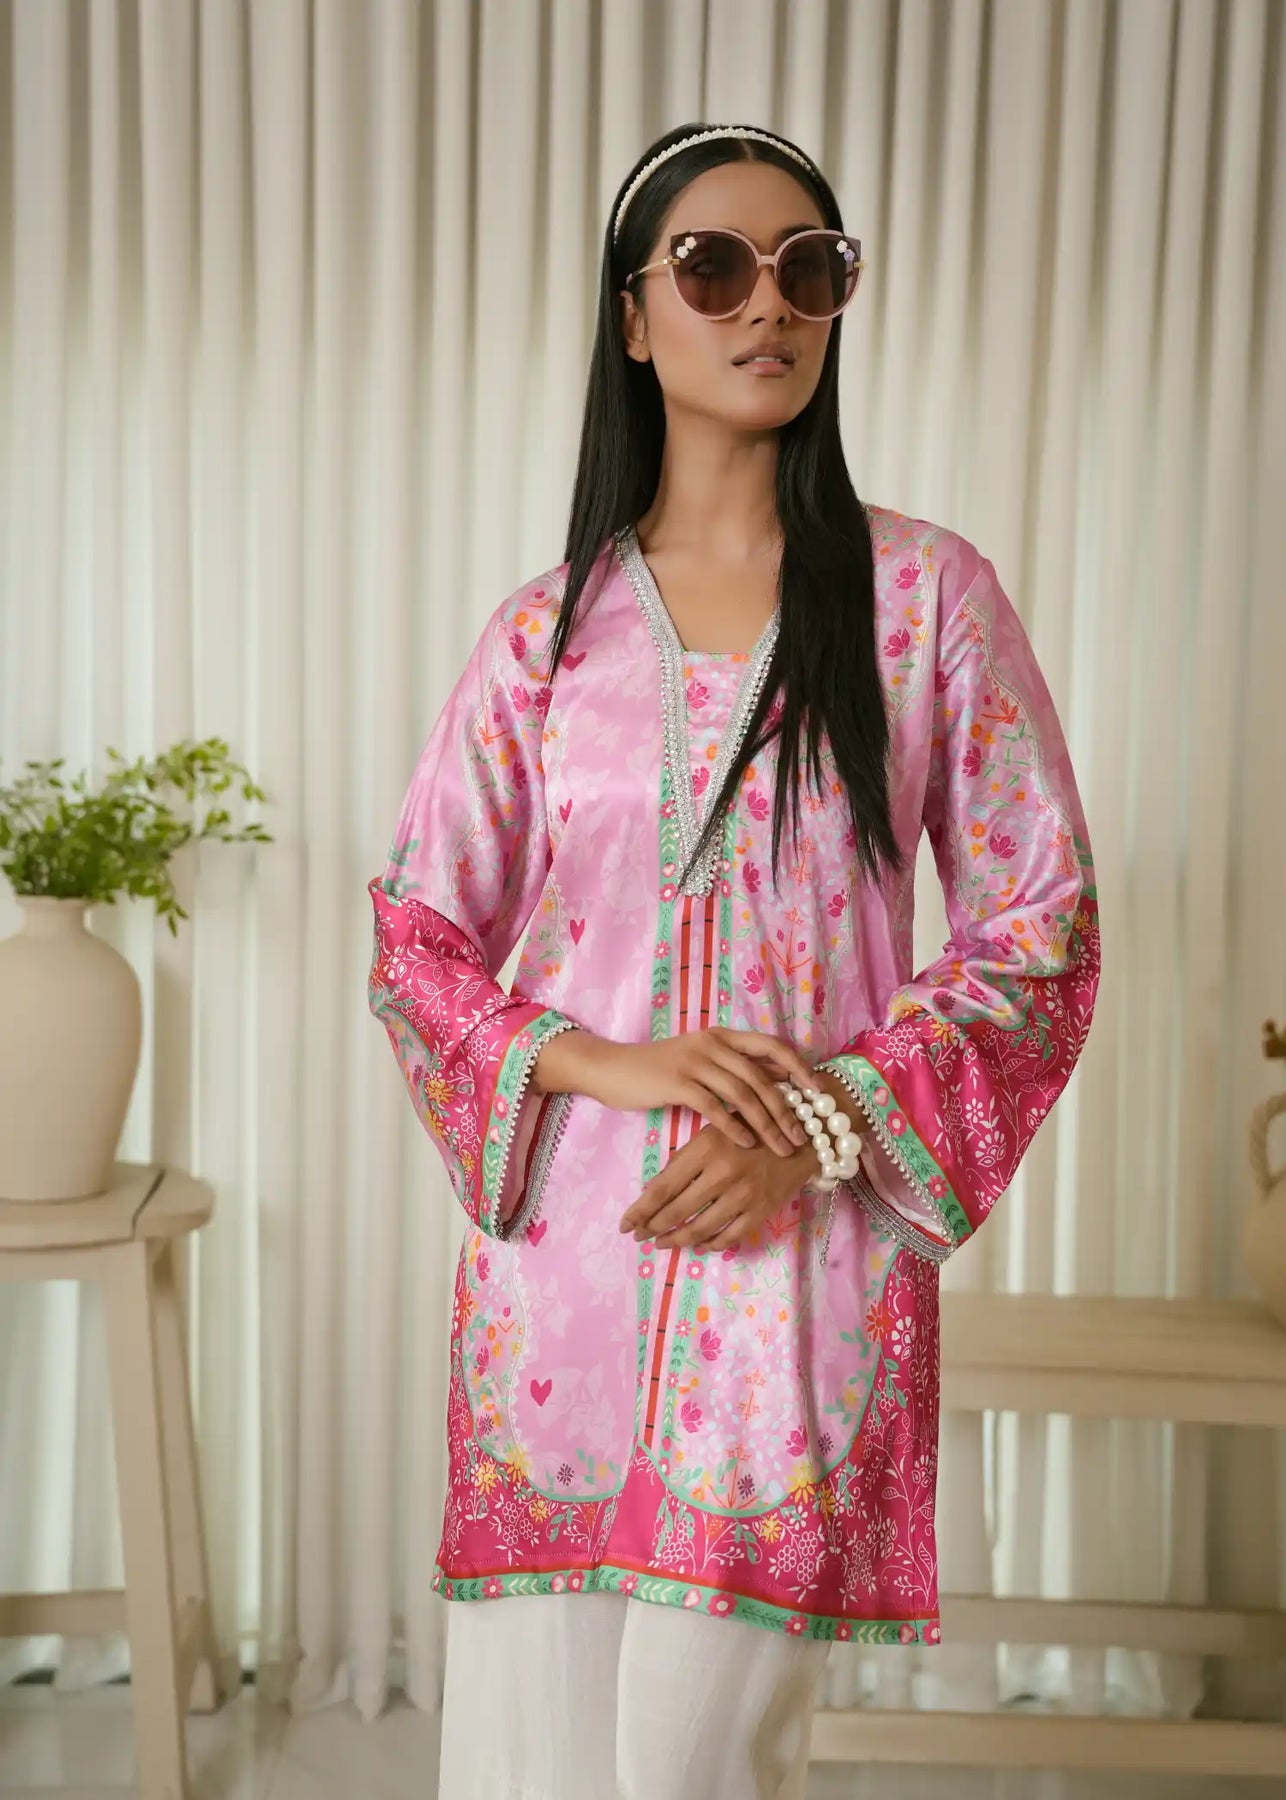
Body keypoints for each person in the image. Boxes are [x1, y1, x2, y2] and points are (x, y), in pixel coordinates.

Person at [367, 121, 1100, 1800]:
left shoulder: (923, 603)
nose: (764, 303)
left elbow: (1038, 930)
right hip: (561, 1274)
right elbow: (416, 937)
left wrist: (817, 1125)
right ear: (634, 317)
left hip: (801, 1260)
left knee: (692, 1767)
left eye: (808, 268)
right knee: (540, 1772)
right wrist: (601, 1061)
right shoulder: (545, 637)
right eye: (712, 267)